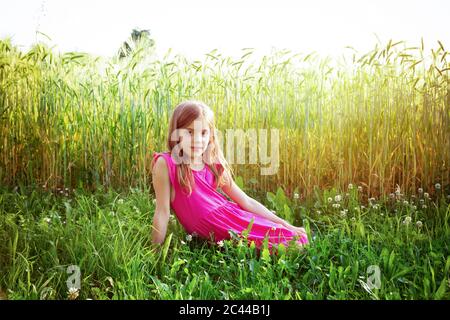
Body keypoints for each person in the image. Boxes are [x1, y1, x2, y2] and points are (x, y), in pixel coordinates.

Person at [150, 100, 308, 253]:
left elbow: (245, 201)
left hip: (233, 219)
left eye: (203, 133)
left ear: (211, 136)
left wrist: (286, 224)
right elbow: (162, 212)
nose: (198, 140)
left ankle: (283, 232)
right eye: (190, 132)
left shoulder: (212, 164)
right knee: (294, 247)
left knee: (297, 239)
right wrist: (154, 252)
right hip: (220, 227)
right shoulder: (167, 164)